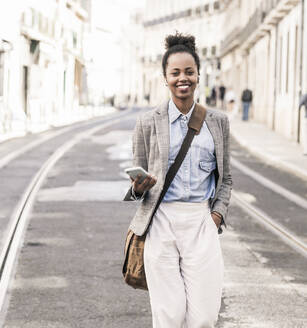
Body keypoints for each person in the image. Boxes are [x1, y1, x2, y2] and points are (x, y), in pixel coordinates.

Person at [123, 32, 232, 328]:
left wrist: (216, 215)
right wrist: (138, 187)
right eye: (175, 73)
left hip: (201, 221)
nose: (182, 78)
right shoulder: (147, 122)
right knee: (169, 316)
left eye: (189, 72)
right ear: (165, 78)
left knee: (205, 318)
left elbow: (226, 178)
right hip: (161, 221)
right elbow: (136, 180)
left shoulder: (218, 122)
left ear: (198, 75)